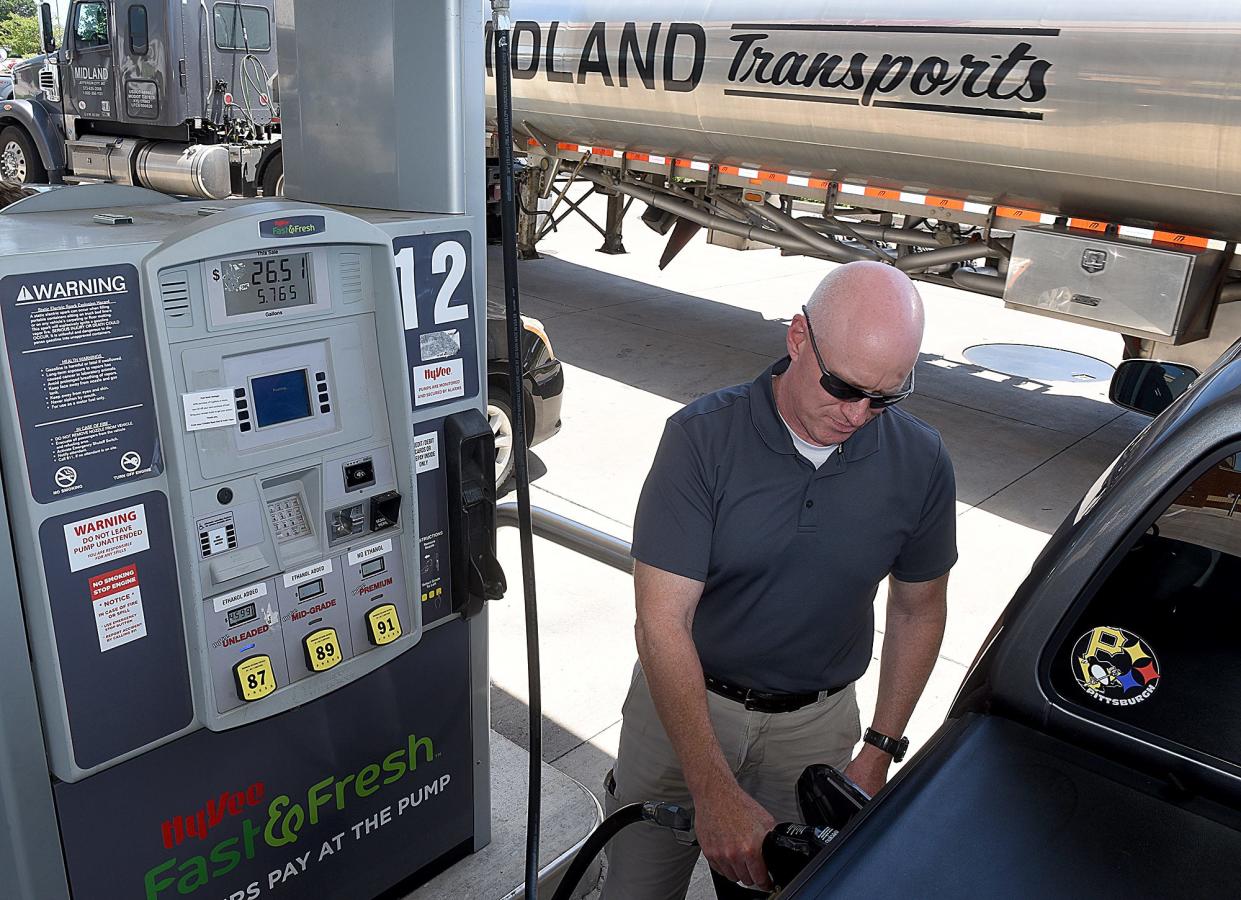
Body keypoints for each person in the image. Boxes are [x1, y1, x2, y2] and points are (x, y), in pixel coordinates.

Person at [601, 261, 957, 899]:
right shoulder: (700, 440)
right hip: (683, 707)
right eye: (843, 387)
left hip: (814, 732)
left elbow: (918, 610)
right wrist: (711, 790)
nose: (858, 415)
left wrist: (879, 749)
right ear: (797, 338)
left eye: (884, 398)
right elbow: (661, 622)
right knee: (638, 886)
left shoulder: (922, 461)